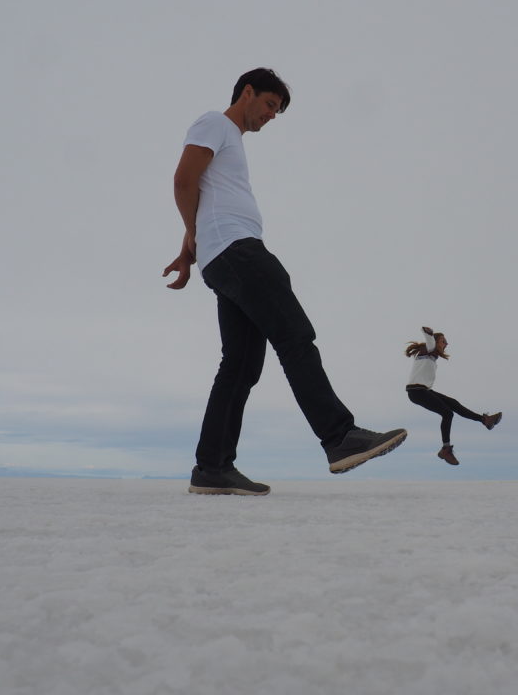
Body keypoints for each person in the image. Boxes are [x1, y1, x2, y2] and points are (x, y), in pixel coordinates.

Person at [163, 68, 406, 495]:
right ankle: (339, 436)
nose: (272, 115)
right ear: (248, 92)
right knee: (294, 336)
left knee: (239, 367)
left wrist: (189, 250)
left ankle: (212, 468)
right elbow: (184, 180)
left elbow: (201, 197)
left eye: (277, 110)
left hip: (223, 256)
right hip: (239, 252)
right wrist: (195, 237)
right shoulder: (215, 123)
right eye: (270, 105)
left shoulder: (229, 139)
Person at [404, 327, 502, 465]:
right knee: (447, 413)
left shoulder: (432, 355)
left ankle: (485, 420)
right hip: (416, 392)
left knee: (454, 404)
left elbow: (432, 346)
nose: (446, 344)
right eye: (443, 341)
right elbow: (430, 342)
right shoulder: (427, 349)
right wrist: (428, 333)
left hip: (423, 391)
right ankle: (446, 449)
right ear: (435, 342)